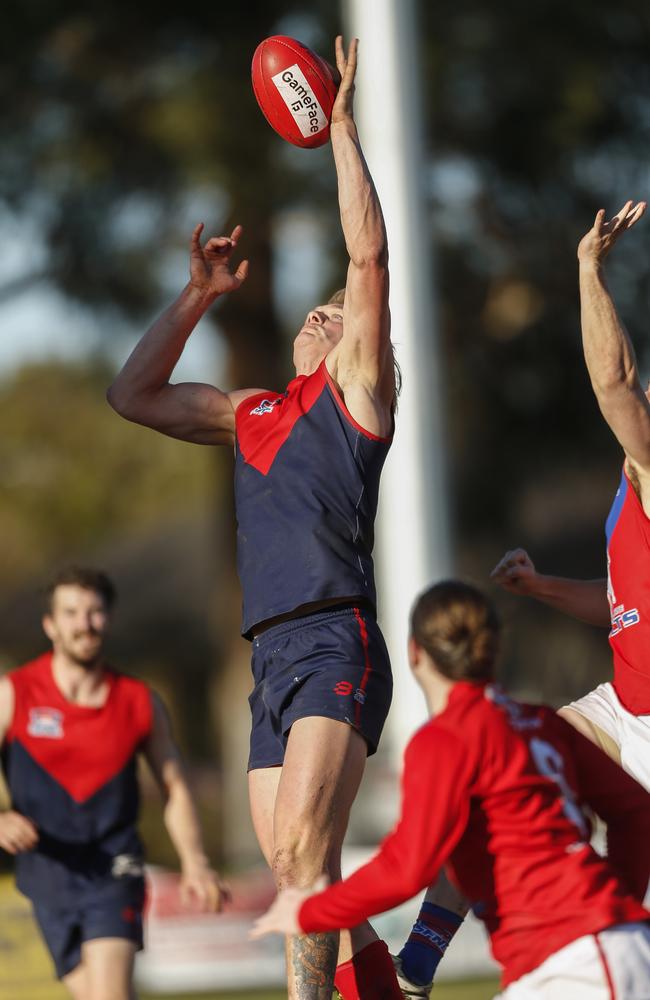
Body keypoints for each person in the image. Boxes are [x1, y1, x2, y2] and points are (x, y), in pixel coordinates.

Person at [107, 36, 401, 1000]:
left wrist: (344, 128)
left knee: (306, 856)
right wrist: (197, 295)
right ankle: (388, 984)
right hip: (269, 655)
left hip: (332, 638)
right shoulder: (252, 416)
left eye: (339, 314)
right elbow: (133, 395)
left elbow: (367, 252)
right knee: (289, 869)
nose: (325, 314)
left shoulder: (356, 396)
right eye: (316, 311)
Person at [251, 580, 650, 999]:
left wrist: (311, 910)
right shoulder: (541, 722)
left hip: (579, 965)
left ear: (414, 652)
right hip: (585, 955)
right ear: (494, 650)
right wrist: (614, 906)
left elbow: (407, 868)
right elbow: (636, 812)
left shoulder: (446, 739)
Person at [0, 566, 226, 1000]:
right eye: (71, 613)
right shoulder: (16, 693)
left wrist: (195, 861)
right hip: (46, 870)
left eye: (94, 612)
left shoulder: (139, 702)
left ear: (108, 618)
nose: (84, 624)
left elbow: (174, 785)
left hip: (114, 865)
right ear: (50, 625)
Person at [491, 199, 650, 792]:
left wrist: (589, 270)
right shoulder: (634, 482)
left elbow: (615, 383)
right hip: (624, 710)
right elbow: (623, 606)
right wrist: (540, 587)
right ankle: (459, 891)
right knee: (515, 781)